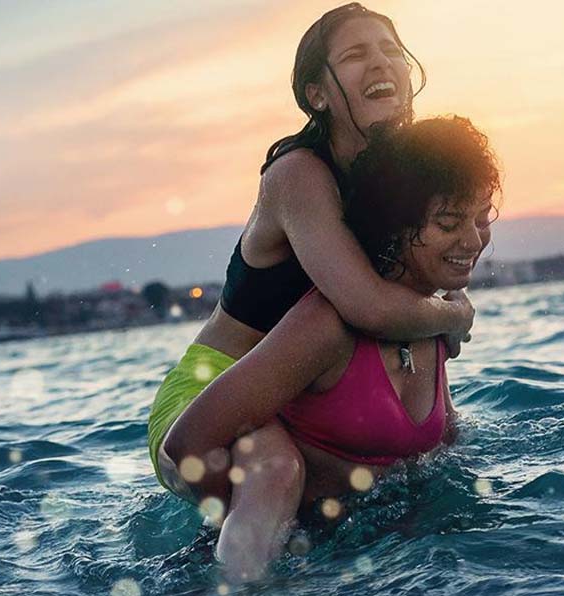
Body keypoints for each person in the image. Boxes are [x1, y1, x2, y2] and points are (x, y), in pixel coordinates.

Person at [148, 2, 475, 514]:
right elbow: (372, 308)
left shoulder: (398, 177)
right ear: (316, 95)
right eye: (355, 55)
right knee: (278, 472)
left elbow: (408, 293)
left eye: (392, 51)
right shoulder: (298, 176)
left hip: (301, 394)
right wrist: (455, 314)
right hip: (211, 392)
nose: (381, 63)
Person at [167, 116, 501, 582]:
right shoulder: (326, 326)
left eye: (482, 218)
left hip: (371, 564)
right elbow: (188, 442)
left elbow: (443, 454)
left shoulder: (432, 320)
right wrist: (249, 524)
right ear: (395, 226)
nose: (473, 240)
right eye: (449, 223)